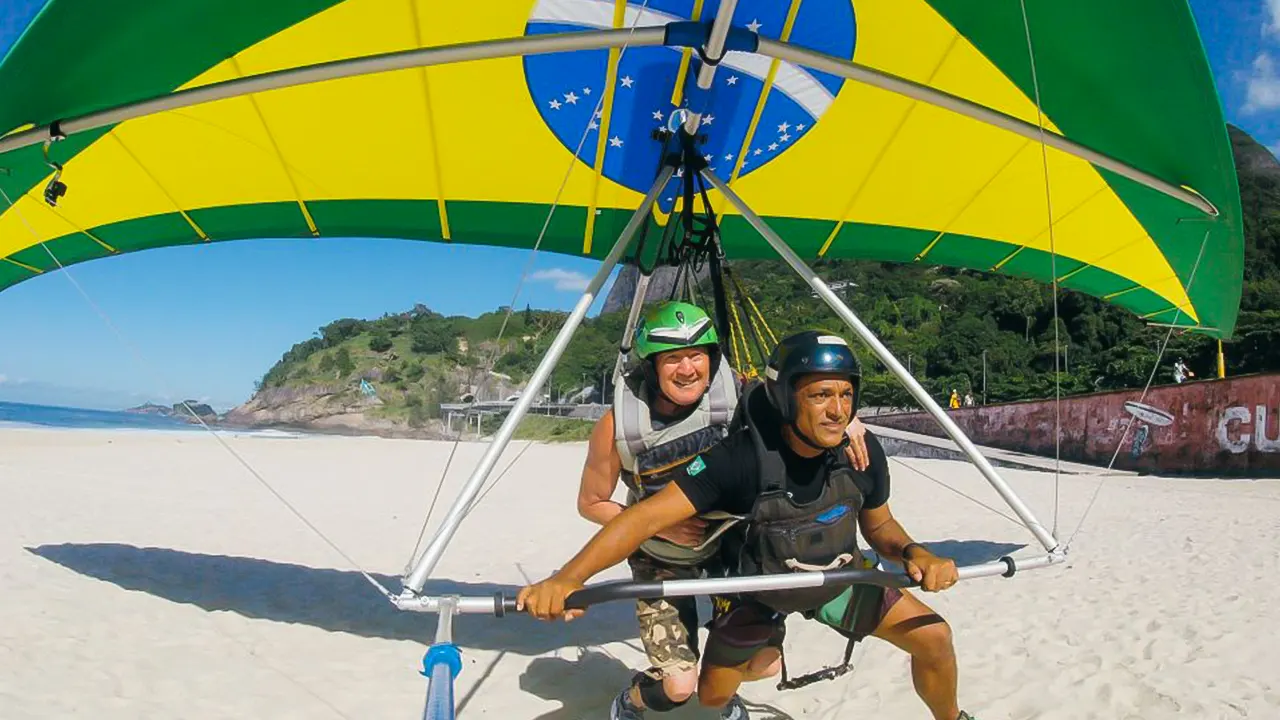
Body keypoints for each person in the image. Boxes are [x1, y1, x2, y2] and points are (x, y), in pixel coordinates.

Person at [521, 330, 974, 720]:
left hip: (836, 577)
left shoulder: (860, 450)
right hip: (758, 592)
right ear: (783, 398)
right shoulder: (738, 460)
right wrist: (567, 579)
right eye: (819, 396)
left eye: (845, 395)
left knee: (934, 636)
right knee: (711, 693)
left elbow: (881, 527)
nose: (837, 411)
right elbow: (641, 519)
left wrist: (915, 552)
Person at [577, 304, 872, 719]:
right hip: (663, 556)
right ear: (652, 366)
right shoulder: (618, 425)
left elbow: (808, 404)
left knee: (763, 663)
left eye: (696, 355)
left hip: (728, 552)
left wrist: (851, 420)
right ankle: (634, 700)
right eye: (672, 358)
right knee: (678, 687)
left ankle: (722, 683)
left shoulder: (738, 398)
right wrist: (660, 529)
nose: (687, 369)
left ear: (711, 359)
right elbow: (590, 503)